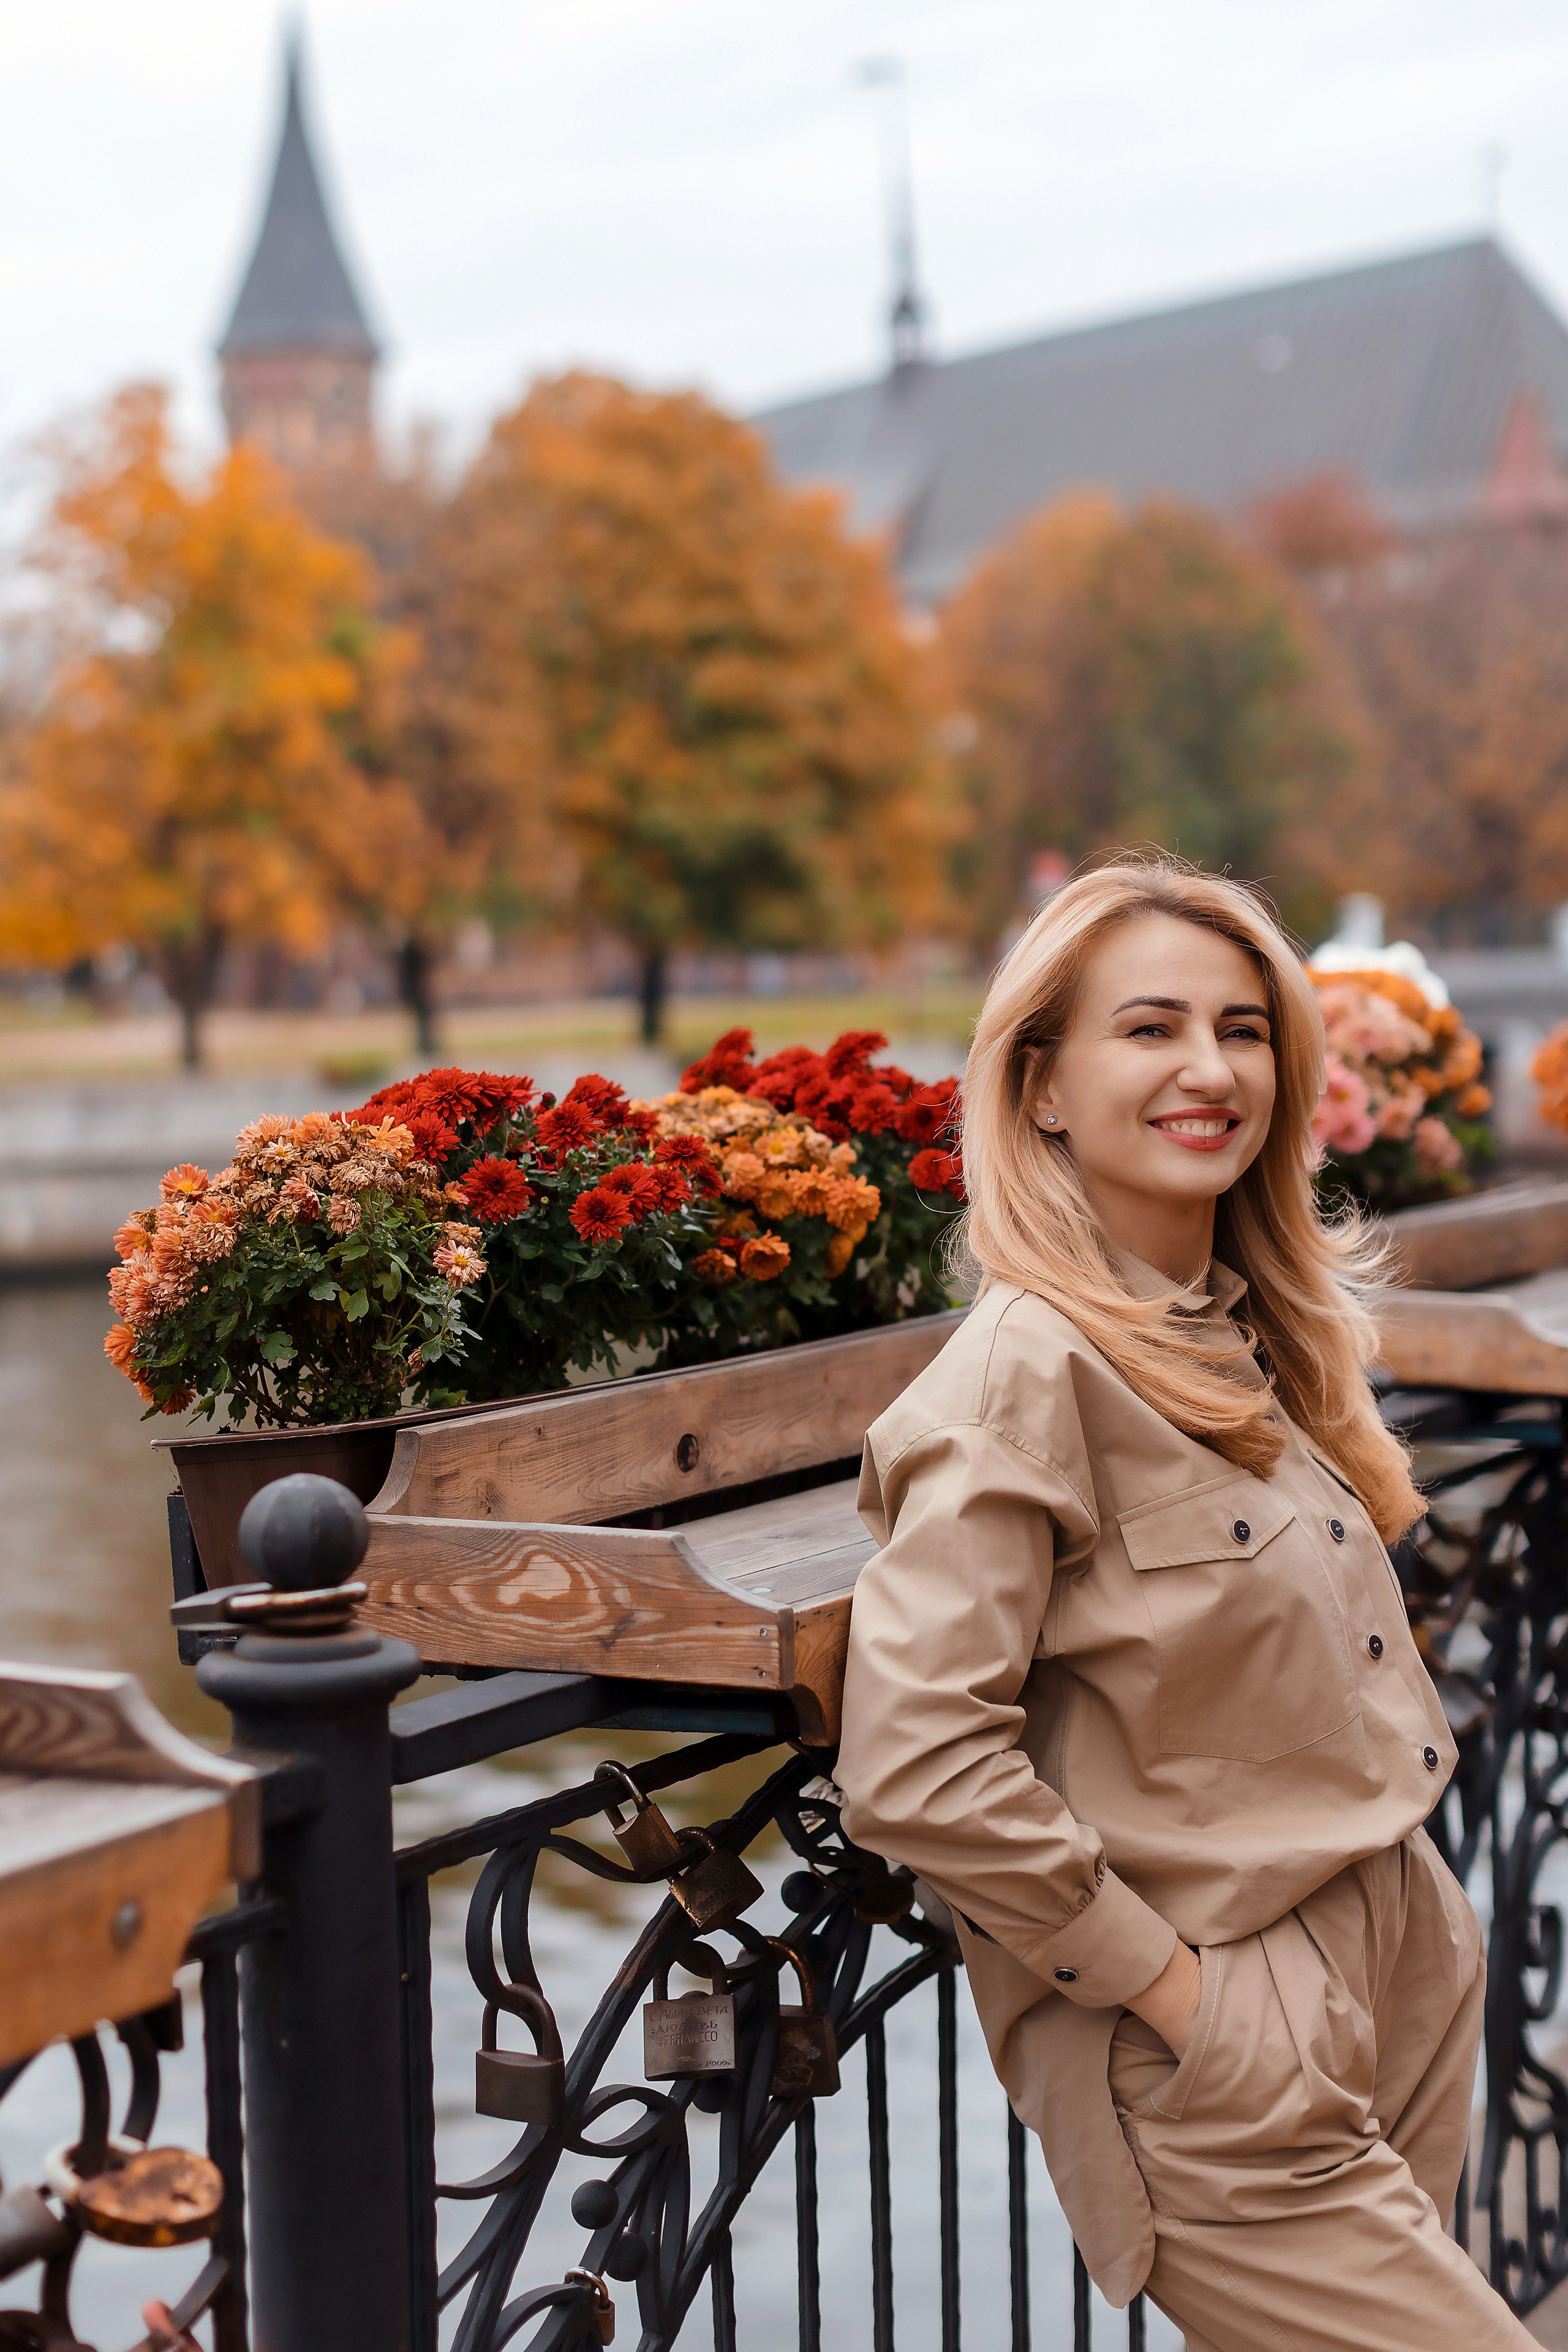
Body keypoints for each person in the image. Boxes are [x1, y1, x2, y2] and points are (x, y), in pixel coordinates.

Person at [834, 857, 1529, 2350]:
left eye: (1242, 1028)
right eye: (1148, 1029)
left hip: (1393, 1957)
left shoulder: (1240, 1336)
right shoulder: (1018, 1377)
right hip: (1217, 2035)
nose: (1208, 1070)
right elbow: (914, 1763)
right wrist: (1186, 2005)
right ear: (1039, 1086)